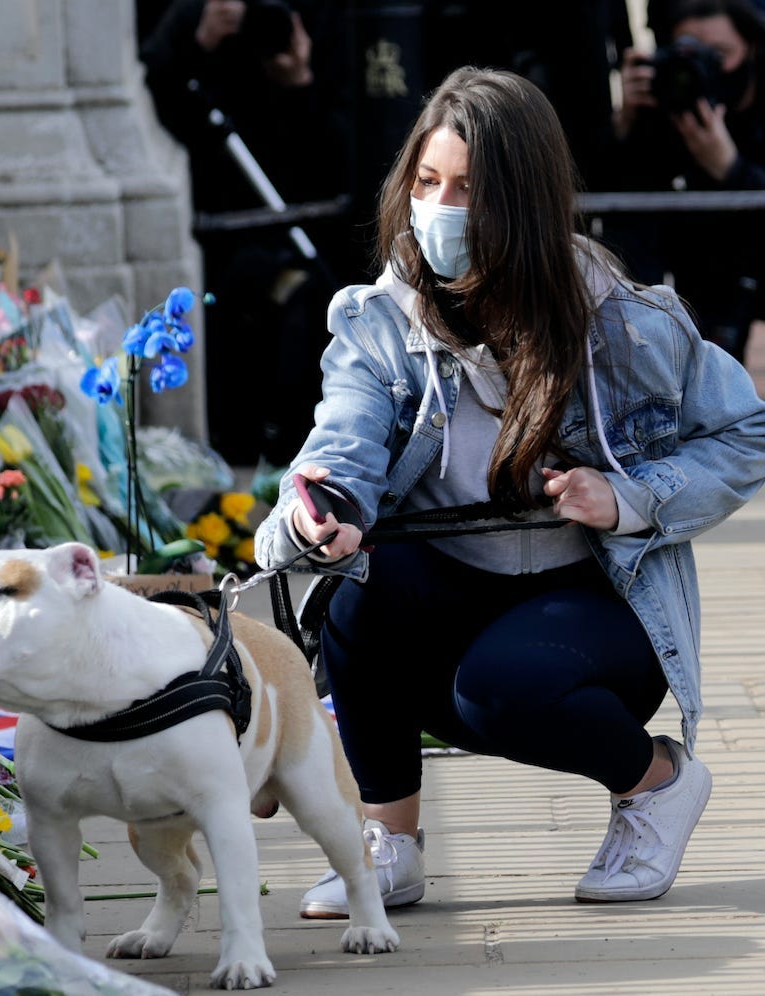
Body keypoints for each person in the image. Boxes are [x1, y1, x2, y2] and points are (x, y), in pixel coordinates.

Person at [254, 66, 765, 918]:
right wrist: (319, 511)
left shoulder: (623, 321)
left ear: (524, 203)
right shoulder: (381, 321)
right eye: (427, 182)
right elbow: (338, 443)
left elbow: (745, 430)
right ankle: (391, 844)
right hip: (448, 584)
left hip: (595, 600)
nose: (440, 209)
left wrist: (631, 496)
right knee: (355, 600)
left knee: (500, 688)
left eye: (467, 190)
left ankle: (657, 781)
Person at [139, 0, 359, 466]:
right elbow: (165, 100)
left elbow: (345, 151)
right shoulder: (204, 12)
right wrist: (202, 44)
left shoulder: (324, 20)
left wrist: (300, 84)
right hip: (224, 233)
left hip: (312, 233)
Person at [603, 0, 765, 363]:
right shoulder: (656, 109)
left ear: (751, 48)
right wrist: (623, 126)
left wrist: (732, 170)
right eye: (688, 52)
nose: (700, 68)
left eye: (718, 54)